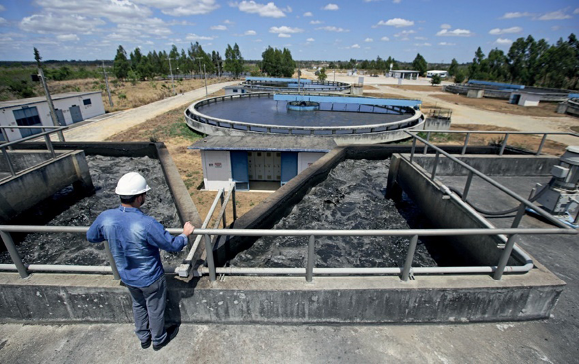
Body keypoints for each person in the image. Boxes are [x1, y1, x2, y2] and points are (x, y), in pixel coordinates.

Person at [87, 172, 195, 351]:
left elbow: (91, 237)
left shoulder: (105, 217)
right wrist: (185, 234)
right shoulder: (146, 223)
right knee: (155, 308)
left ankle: (143, 337)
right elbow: (172, 245)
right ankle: (159, 339)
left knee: (138, 304)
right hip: (150, 277)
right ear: (139, 198)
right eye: (144, 194)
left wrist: (113, 236)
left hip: (127, 275)